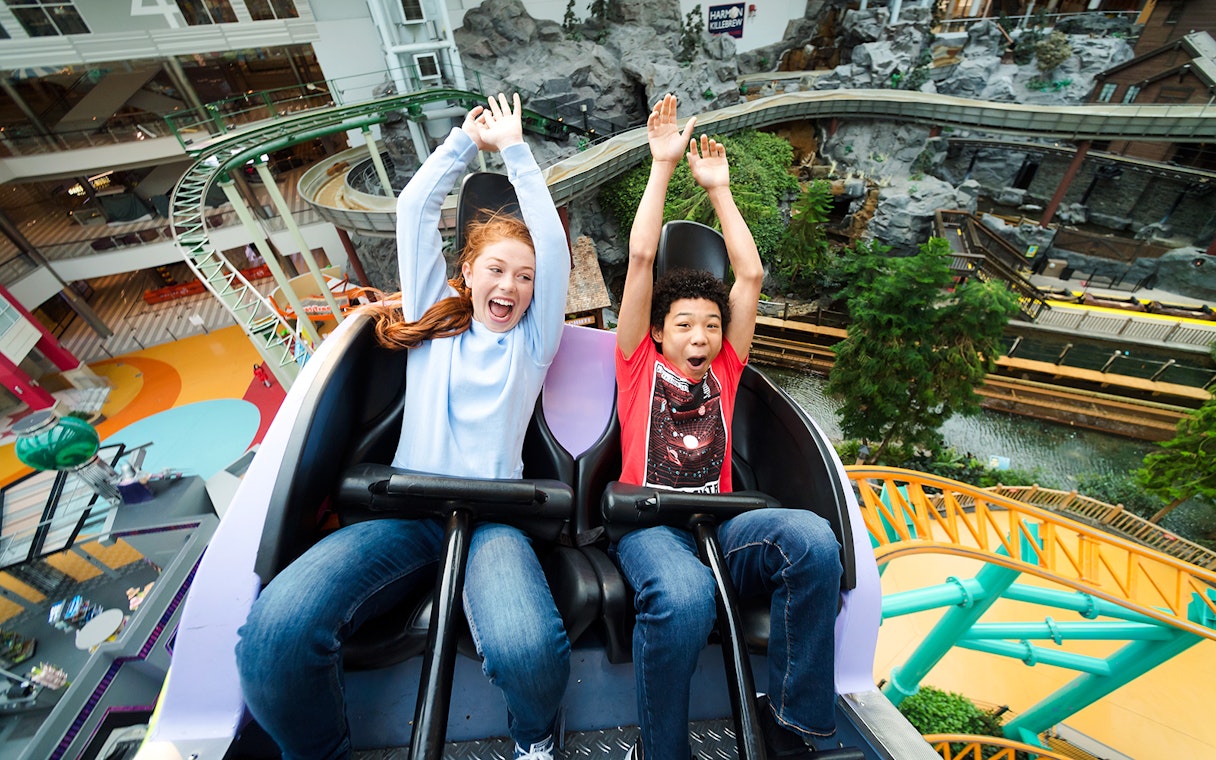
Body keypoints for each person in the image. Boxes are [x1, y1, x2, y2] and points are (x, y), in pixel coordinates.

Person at [235, 93, 573, 760]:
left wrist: (516, 152)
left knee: (527, 647)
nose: (510, 286)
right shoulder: (431, 323)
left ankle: (536, 741)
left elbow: (553, 246)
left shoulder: (531, 346)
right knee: (276, 633)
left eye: (525, 278)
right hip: (410, 510)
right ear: (467, 274)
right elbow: (416, 208)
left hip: (494, 519)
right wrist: (461, 144)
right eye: (497, 270)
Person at [613, 94, 843, 759]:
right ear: (659, 333)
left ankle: (795, 722)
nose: (701, 336)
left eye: (711, 326)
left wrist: (719, 192)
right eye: (685, 324)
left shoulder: (727, 370)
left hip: (722, 524)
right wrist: (661, 167)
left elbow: (750, 272)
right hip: (650, 527)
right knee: (683, 599)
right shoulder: (637, 365)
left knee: (811, 540)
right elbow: (640, 260)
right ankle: (661, 750)